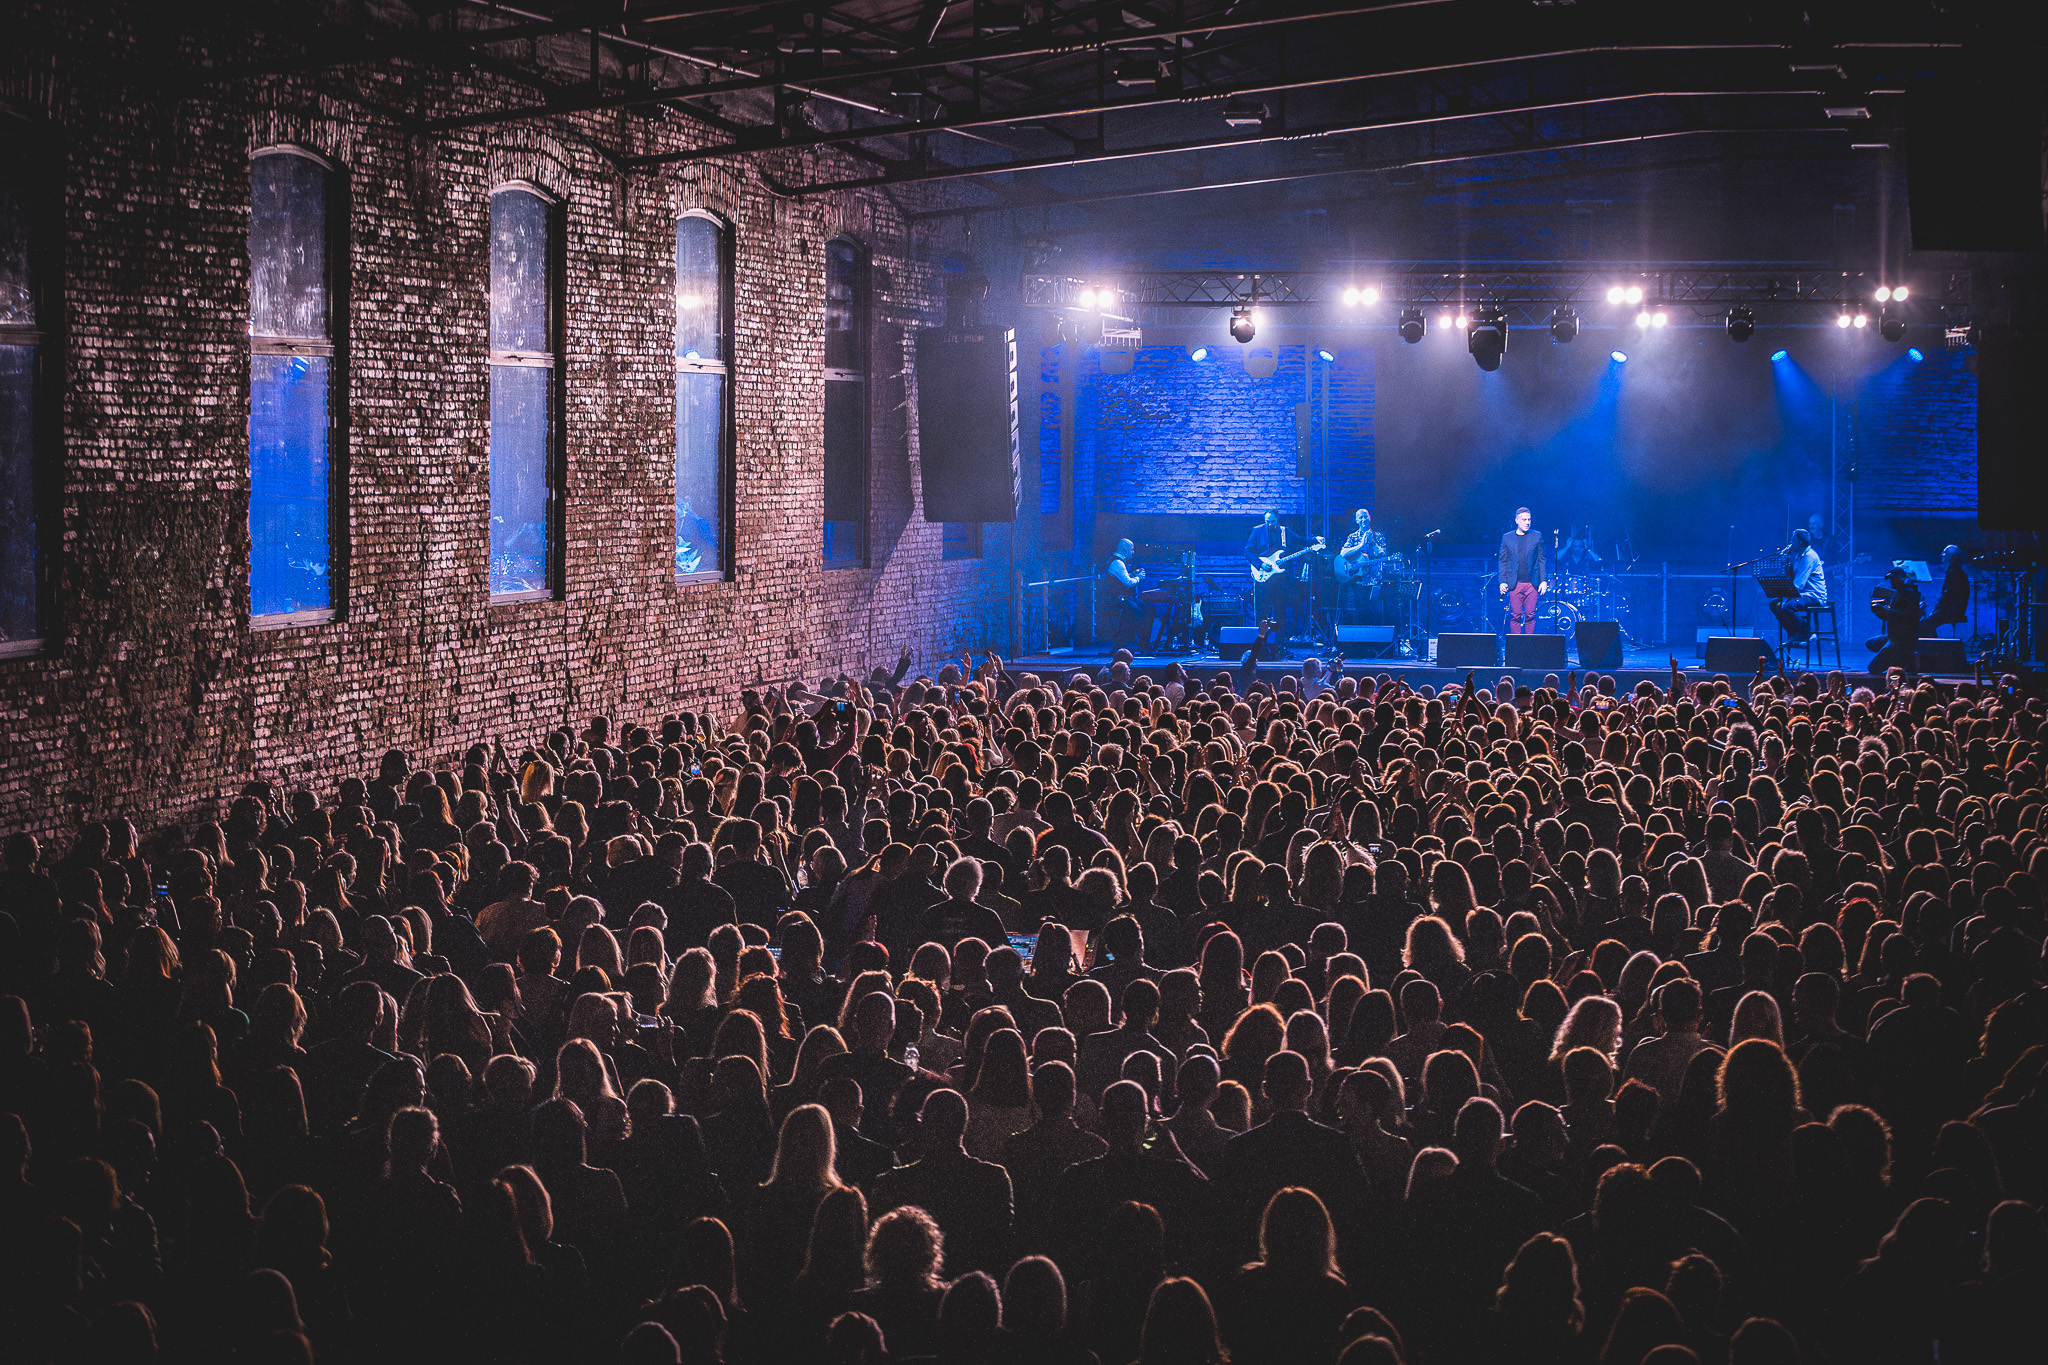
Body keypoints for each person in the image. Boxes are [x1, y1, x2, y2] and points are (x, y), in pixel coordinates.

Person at [1771, 528, 1828, 643]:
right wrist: (1786, 564)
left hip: (1814, 595)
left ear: (1801, 543)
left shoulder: (1809, 557)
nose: (1790, 544)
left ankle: (1807, 632)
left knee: (1787, 606)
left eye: (1793, 541)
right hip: (1803, 594)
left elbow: (1798, 584)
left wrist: (1785, 600)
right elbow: (1792, 579)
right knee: (1773, 605)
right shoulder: (1798, 556)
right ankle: (1796, 633)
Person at [1498, 507, 1548, 635]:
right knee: (1515, 615)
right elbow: (1503, 561)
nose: (1527, 522)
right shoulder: (1507, 537)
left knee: (1530, 615)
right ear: (1516, 520)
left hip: (1532, 582)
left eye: (1529, 519)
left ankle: (1528, 645)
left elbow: (1542, 559)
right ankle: (1516, 645)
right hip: (1515, 583)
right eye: (1524, 519)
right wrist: (1502, 581)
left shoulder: (1536, 536)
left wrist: (1543, 580)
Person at [1867, 567, 1923, 677]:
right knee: (1870, 643)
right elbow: (1891, 616)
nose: (1891, 582)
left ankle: (1902, 657)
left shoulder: (1908, 594)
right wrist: (1880, 611)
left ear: (1902, 578)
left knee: (1873, 668)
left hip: (1902, 640)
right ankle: (1898, 659)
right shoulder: (1900, 593)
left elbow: (1908, 617)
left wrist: (1886, 611)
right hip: (1894, 636)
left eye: (1894, 579)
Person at [1102, 539, 1151, 649]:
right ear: (1124, 550)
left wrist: (1133, 573)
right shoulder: (1117, 563)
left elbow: (1124, 577)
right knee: (1138, 613)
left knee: (1150, 609)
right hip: (1117, 599)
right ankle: (1122, 643)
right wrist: (1139, 577)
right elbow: (1128, 582)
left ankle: (1144, 643)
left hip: (1125, 598)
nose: (1133, 552)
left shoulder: (1120, 562)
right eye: (1131, 549)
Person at [1923, 545, 1969, 634]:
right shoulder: (1955, 572)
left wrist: (1936, 610)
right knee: (1927, 624)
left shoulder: (1954, 573)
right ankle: (1933, 645)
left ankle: (1933, 647)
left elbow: (1948, 596)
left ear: (1952, 557)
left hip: (1952, 610)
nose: (1941, 555)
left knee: (1925, 625)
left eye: (1944, 553)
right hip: (1954, 609)